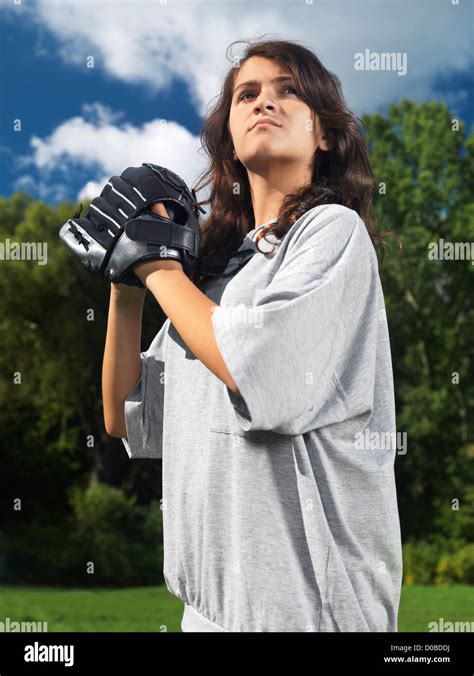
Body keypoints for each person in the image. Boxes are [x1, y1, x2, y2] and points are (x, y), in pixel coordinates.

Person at [102, 37, 403, 632]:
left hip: (310, 613)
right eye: (248, 94)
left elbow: (256, 366)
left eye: (290, 90)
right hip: (206, 613)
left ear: (324, 134)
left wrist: (155, 265)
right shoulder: (211, 278)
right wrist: (125, 286)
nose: (266, 101)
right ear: (231, 142)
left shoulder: (329, 234)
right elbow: (127, 418)